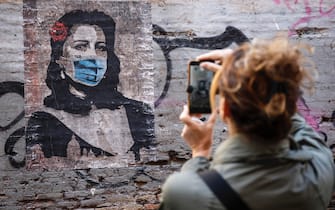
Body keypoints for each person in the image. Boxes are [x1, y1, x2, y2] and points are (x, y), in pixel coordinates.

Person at [160, 37, 335, 210]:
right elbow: (295, 121)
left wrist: (200, 152)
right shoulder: (319, 172)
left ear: (225, 109)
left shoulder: (183, 193)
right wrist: (258, 76)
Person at [26, 10, 155, 165]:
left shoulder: (139, 112)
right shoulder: (45, 121)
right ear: (60, 57)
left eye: (101, 48)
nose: (93, 56)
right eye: (81, 47)